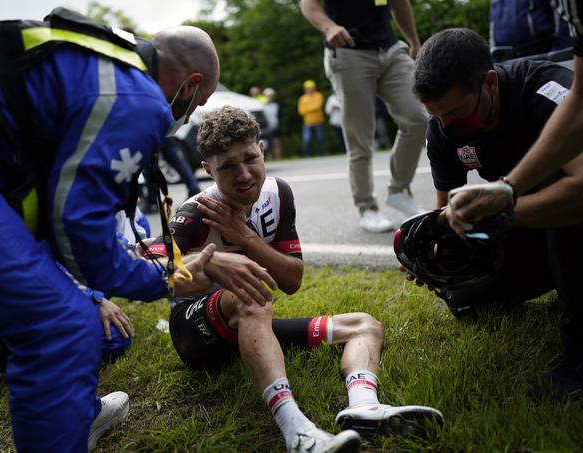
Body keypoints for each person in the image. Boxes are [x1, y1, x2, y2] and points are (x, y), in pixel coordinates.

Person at [0, 9, 277, 451]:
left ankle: (73, 416)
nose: (188, 112)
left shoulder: (107, 62)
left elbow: (51, 211)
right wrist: (170, 279)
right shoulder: (140, 99)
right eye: (197, 103)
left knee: (68, 314)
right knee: (58, 324)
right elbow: (77, 231)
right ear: (190, 84)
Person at [145, 106, 443, 452]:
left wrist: (246, 239)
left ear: (262, 149)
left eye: (250, 158)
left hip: (252, 328)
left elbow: (292, 279)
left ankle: (363, 407)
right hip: (195, 333)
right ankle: (296, 431)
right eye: (227, 166)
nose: (243, 175)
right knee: (251, 295)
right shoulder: (199, 211)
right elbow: (149, 262)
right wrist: (209, 263)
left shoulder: (278, 194)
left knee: (364, 326)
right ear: (208, 170)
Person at [411, 27, 583, 399]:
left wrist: (501, 214)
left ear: (489, 83)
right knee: (462, 297)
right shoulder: (442, 128)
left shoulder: (544, 90)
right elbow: (446, 215)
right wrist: (430, 254)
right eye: (436, 114)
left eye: (456, 111)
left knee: (560, 187)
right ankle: (558, 280)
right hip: (528, 227)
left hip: (569, 217)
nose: (447, 126)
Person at [301, 0, 428, 233]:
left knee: (417, 119)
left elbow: (400, 4)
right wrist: (329, 27)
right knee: (360, 137)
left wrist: (414, 43)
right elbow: (308, 4)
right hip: (349, 53)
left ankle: (399, 190)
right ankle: (367, 207)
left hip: (390, 49)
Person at [297, 79, 325, 157]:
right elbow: (301, 111)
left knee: (320, 139)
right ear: (305, 89)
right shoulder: (302, 99)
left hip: (319, 121)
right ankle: (307, 155)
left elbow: (318, 106)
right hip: (308, 122)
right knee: (307, 140)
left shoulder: (318, 95)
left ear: (314, 88)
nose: (310, 89)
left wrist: (307, 108)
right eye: (308, 88)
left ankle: (320, 154)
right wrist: (312, 108)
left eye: (311, 87)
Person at [263, 87, 283, 160]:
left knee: (277, 143)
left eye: (271, 96)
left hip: (276, 127)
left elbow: (279, 116)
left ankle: (278, 158)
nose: (269, 97)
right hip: (267, 128)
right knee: (267, 144)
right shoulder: (263, 106)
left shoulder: (277, 105)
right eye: (268, 96)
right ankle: (269, 158)